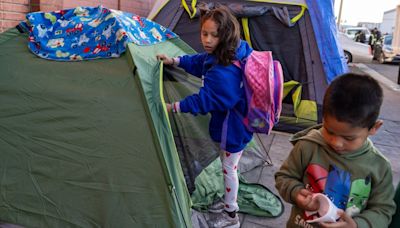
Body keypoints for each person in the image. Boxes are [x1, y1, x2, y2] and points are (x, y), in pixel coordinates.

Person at [156, 4, 253, 228]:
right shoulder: (227, 53)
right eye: (204, 33)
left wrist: (174, 107)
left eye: (214, 35)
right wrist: (176, 61)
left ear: (226, 35)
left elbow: (206, 100)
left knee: (229, 169)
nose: (207, 40)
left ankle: (231, 215)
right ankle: (230, 205)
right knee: (228, 166)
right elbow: (200, 61)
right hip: (238, 123)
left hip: (233, 129)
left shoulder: (224, 70)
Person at [275, 73, 396, 228]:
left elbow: (383, 210)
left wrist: (357, 225)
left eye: (349, 138)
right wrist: (296, 193)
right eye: (329, 131)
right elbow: (284, 177)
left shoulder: (379, 167)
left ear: (374, 128)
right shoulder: (308, 146)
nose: (336, 143)